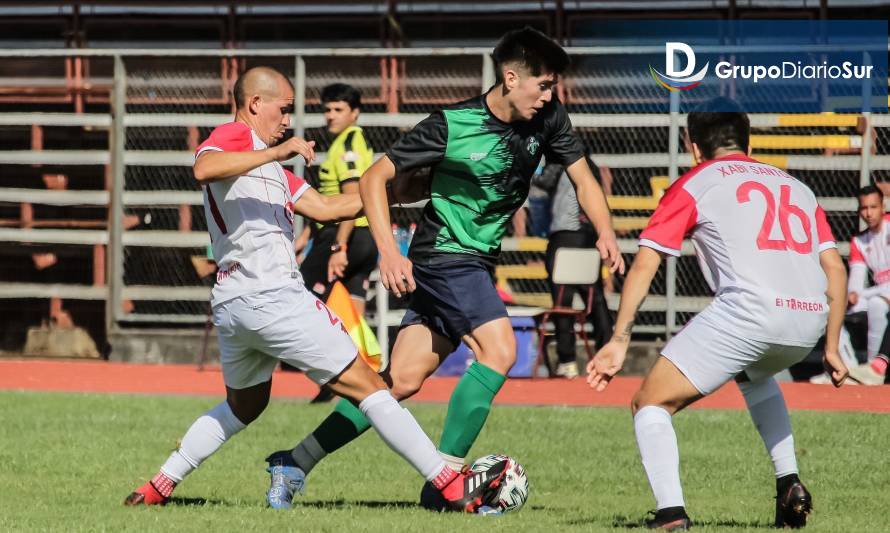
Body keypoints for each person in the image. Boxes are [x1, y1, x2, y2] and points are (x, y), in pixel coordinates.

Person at [263, 27, 625, 508]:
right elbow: (376, 177)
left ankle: (296, 459)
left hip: (473, 261)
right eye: (542, 84)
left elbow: (583, 177)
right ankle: (447, 480)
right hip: (445, 257)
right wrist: (390, 251)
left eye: (553, 86)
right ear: (511, 77)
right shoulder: (452, 124)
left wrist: (604, 230)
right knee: (499, 351)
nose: (549, 95)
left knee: (398, 383)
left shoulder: (550, 118)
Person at [123, 67, 506, 512]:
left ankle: (160, 483)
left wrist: (396, 192)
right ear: (254, 105)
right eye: (283, 110)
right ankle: (451, 485)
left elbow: (327, 207)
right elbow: (204, 166)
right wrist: (279, 150)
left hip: (235, 304)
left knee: (245, 406)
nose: (288, 121)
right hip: (272, 298)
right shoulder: (234, 136)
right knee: (372, 387)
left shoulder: (273, 172)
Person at [588, 97, 849, 530]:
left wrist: (619, 340)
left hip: (749, 314)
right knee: (756, 375)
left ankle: (671, 514)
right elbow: (835, 269)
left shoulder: (696, 181)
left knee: (649, 403)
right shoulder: (796, 186)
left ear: (694, 147)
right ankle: (790, 484)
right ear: (747, 142)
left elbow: (647, 261)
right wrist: (834, 347)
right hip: (809, 322)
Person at [296, 83, 377, 402]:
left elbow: (350, 199)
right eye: (327, 109)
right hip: (360, 236)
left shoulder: (348, 146)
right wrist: (306, 235)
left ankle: (330, 378)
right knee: (352, 314)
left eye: (338, 109)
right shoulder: (346, 142)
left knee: (301, 300)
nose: (330, 115)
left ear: (355, 113)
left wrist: (338, 247)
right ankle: (361, 382)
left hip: (348, 236)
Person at [534, 161, 613, 378]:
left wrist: (535, 168)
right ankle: (606, 352)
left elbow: (542, 182)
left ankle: (567, 360)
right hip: (589, 235)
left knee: (562, 300)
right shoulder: (593, 166)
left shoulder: (561, 162)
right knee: (594, 297)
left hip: (564, 235)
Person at [844, 185, 890, 385]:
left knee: (877, 304)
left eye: (873, 207)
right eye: (864, 208)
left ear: (883, 207)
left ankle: (874, 369)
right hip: (878, 292)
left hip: (880, 294)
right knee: (835, 310)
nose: (869, 213)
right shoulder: (859, 241)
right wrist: (852, 294)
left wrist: (860, 294)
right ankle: (845, 369)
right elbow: (856, 280)